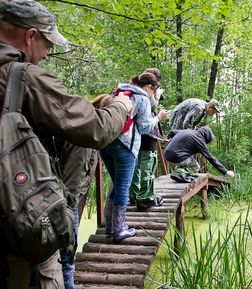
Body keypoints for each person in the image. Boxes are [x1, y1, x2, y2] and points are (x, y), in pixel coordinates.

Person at [0, 1, 133, 288]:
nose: (47, 55)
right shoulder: (21, 77)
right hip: (18, 230)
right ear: (30, 36)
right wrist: (122, 107)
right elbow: (94, 128)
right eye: (47, 43)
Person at [100, 72, 170, 243]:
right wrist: (158, 118)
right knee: (123, 187)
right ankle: (119, 229)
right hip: (125, 146)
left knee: (117, 185)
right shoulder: (143, 98)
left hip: (105, 143)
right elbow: (145, 128)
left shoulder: (118, 92)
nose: (153, 94)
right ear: (148, 87)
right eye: (154, 90)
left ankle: (110, 226)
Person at [129, 68, 167, 211]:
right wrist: (157, 96)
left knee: (136, 164)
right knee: (148, 163)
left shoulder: (132, 89)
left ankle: (133, 194)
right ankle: (145, 198)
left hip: (134, 133)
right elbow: (151, 106)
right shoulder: (146, 91)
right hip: (147, 131)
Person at [163, 126, 235, 182]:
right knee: (195, 166)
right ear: (206, 137)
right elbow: (210, 158)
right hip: (176, 157)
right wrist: (225, 171)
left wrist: (168, 138)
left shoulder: (189, 131)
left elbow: (173, 132)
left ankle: (179, 172)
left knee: (189, 155)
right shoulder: (199, 140)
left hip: (166, 154)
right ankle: (179, 173)